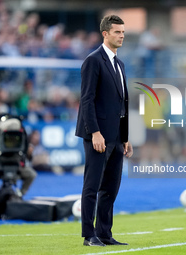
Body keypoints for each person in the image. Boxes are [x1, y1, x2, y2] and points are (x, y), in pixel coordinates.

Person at [75, 15, 133, 247]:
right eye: (117, 32)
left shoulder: (120, 64)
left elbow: (123, 103)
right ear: (105, 34)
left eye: (123, 32)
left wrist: (126, 136)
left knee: (111, 187)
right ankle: (89, 235)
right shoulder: (93, 60)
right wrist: (95, 133)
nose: (121, 36)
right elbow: (87, 100)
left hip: (117, 137)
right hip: (98, 135)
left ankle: (105, 234)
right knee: (92, 186)